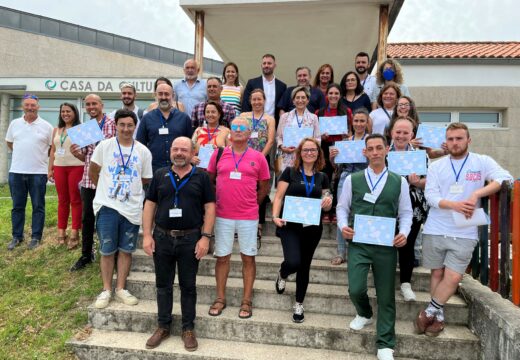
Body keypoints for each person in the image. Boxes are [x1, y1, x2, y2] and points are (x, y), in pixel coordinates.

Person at [415, 122, 512, 337]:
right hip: (436, 227)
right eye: (450, 139)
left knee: (453, 276)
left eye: (459, 138)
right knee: (437, 272)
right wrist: (455, 205)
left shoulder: (481, 161)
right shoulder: (437, 166)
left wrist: (477, 194)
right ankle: (438, 317)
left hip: (465, 229)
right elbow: (430, 196)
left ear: (468, 140)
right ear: (446, 142)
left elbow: (505, 178)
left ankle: (430, 310)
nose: (455, 143)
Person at [336, 133, 412, 360]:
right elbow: (342, 208)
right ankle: (365, 312)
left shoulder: (400, 180)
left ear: (387, 150)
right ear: (365, 152)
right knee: (356, 288)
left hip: (386, 245)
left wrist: (404, 233)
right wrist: (342, 226)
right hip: (359, 242)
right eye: (371, 148)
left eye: (380, 148)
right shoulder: (353, 179)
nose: (376, 152)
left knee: (386, 294)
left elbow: (406, 213)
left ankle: (386, 343)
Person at [142, 137, 215, 352]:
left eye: (184, 149)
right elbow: (150, 205)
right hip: (162, 237)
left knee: (188, 286)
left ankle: (188, 328)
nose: (179, 153)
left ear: (193, 153)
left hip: (190, 239)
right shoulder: (160, 175)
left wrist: (206, 237)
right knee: (163, 285)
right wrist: (147, 235)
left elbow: (210, 208)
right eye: (176, 149)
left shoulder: (201, 176)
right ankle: (163, 326)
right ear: (170, 152)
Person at [206, 117, 270, 319]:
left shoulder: (258, 157)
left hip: (248, 216)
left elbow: (265, 186)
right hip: (223, 215)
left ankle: (246, 300)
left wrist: (251, 203)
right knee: (222, 257)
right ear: (229, 132)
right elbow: (210, 180)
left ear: (250, 132)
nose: (239, 130)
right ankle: (220, 298)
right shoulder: (218, 154)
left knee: (248, 257)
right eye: (235, 127)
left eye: (243, 127)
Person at [89, 109, 153, 309]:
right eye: (122, 125)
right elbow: (93, 171)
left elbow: (145, 179)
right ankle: (106, 289)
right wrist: (106, 189)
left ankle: (121, 288)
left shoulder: (143, 151)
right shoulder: (105, 146)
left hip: (131, 208)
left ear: (135, 127)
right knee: (107, 250)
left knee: (126, 250)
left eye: (130, 125)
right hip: (107, 206)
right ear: (115, 125)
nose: (126, 129)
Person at [272, 138, 332, 323]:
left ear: (318, 153)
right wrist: (275, 216)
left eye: (313, 150)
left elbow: (326, 201)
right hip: (290, 226)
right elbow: (279, 196)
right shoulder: (289, 173)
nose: (309, 153)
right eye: (305, 150)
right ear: (300, 153)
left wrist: (328, 202)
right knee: (293, 262)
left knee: (304, 266)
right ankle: (283, 273)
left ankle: (299, 303)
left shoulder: (322, 177)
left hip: (312, 228)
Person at [70, 94, 116, 271]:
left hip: (108, 179)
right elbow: (85, 156)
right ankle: (86, 254)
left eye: (94, 103)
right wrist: (76, 154)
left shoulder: (112, 124)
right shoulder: (85, 128)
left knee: (109, 217)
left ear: (101, 105)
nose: (91, 107)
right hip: (89, 180)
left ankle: (111, 253)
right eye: (88, 104)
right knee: (87, 218)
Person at [5, 94, 53, 250]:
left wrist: (39, 159)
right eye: (27, 105)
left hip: (38, 173)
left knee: (38, 206)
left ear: (38, 107)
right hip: (16, 172)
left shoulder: (47, 126)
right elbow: (10, 142)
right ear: (22, 107)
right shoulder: (14, 124)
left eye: (33, 105)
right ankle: (17, 237)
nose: (30, 107)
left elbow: (52, 149)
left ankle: (36, 237)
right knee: (17, 206)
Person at [388, 117, 429, 301]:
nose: (401, 136)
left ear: (412, 134)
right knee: (385, 247)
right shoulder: (383, 153)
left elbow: (430, 181)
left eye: (406, 132)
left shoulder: (421, 155)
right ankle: (385, 283)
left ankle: (406, 284)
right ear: (391, 133)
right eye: (398, 132)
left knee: (407, 245)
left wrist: (418, 182)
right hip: (387, 205)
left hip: (414, 207)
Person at [329, 107, 370, 265]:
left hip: (365, 178)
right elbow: (336, 166)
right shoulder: (345, 142)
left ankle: (358, 250)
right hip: (345, 178)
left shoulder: (370, 141)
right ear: (352, 122)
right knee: (342, 213)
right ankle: (341, 252)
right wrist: (333, 157)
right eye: (356, 121)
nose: (359, 124)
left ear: (367, 123)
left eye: (362, 121)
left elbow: (377, 163)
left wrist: (368, 156)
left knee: (361, 213)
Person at [239, 89, 276, 241]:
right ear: (250, 101)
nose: (256, 102)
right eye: (254, 99)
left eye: (259, 99)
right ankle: (241, 223)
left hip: (261, 159)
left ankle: (258, 225)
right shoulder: (243, 116)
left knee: (260, 192)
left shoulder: (269, 119)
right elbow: (237, 135)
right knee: (243, 190)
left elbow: (271, 140)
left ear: (264, 100)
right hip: (243, 158)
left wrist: (259, 158)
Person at [48, 102, 84, 249]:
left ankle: (75, 232)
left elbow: (87, 151)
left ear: (74, 113)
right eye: (63, 111)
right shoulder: (56, 130)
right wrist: (50, 169)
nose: (65, 114)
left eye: (68, 111)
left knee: (75, 200)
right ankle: (61, 232)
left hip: (76, 167)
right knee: (62, 200)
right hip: (59, 167)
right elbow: (52, 151)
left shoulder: (80, 129)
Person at [136, 83, 193, 174]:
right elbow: (140, 145)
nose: (163, 97)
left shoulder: (184, 118)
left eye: (166, 94)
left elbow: (191, 144)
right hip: (153, 170)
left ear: (173, 96)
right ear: (155, 96)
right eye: (160, 94)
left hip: (180, 170)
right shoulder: (147, 118)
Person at [316, 83, 351, 222]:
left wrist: (346, 136)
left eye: (336, 93)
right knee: (325, 176)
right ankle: (325, 209)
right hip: (324, 147)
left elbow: (350, 132)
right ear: (327, 95)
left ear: (340, 95)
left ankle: (336, 208)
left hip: (341, 147)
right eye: (331, 93)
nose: (333, 96)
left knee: (338, 178)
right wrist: (321, 136)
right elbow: (315, 133)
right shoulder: (320, 112)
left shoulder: (346, 111)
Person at [276, 86, 321, 172]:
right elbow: (278, 137)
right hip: (288, 158)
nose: (300, 100)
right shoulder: (285, 117)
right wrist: (282, 147)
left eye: (303, 97)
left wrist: (310, 150)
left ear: (307, 100)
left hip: (307, 157)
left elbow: (318, 139)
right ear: (293, 100)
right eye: (297, 97)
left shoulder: (313, 118)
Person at [241, 54, 287, 124]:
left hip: (273, 124)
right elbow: (246, 104)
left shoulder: (282, 86)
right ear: (261, 65)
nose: (266, 65)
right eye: (264, 63)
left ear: (274, 65)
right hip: (253, 123)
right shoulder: (252, 83)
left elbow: (282, 107)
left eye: (269, 63)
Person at [191, 101, 230, 165]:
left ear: (219, 114)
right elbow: (190, 151)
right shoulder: (198, 131)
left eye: (213, 112)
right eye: (207, 112)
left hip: (219, 167)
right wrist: (192, 158)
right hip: (200, 168)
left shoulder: (226, 131)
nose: (210, 114)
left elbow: (231, 153)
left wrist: (218, 150)